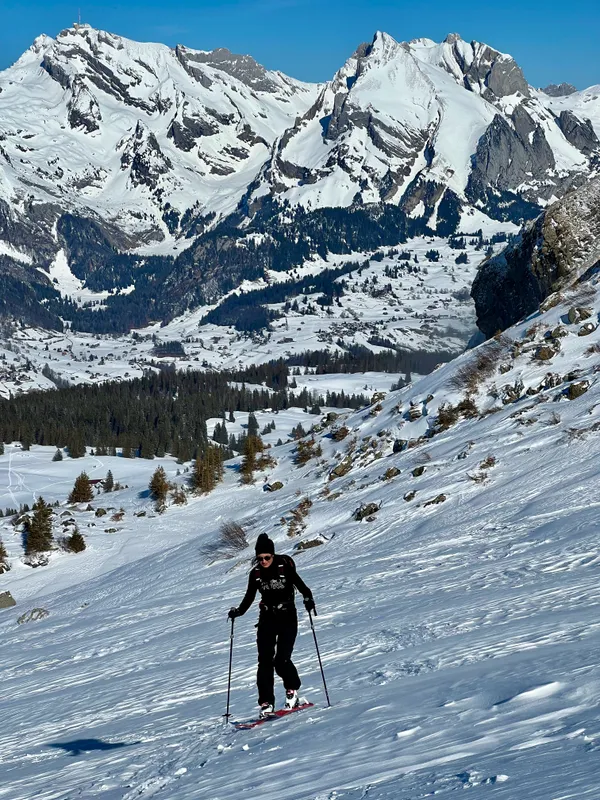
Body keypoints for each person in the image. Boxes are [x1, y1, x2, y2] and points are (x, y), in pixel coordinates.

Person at [228, 532, 316, 718]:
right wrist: (238, 612)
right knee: (264, 662)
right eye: (260, 558)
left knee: (281, 660)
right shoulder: (256, 574)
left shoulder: (284, 567)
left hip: (287, 617)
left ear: (273, 555)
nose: (264, 561)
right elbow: (250, 596)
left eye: (267, 557)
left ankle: (292, 689)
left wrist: (308, 599)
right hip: (266, 618)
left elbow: (302, 587)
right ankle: (266, 703)